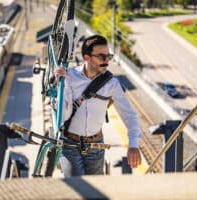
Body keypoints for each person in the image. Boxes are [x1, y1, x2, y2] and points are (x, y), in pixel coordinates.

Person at [55, 34, 142, 176]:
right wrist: (63, 86)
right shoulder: (69, 77)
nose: (106, 61)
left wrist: (133, 144)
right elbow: (64, 115)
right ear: (86, 57)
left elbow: (130, 115)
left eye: (108, 57)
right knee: (78, 186)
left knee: (96, 189)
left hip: (96, 145)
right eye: (102, 57)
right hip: (69, 144)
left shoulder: (111, 83)